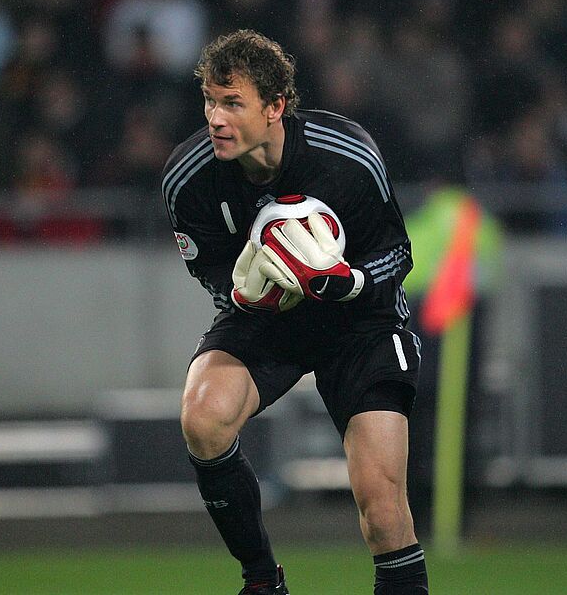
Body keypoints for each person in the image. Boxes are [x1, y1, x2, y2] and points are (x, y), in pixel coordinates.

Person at [162, 29, 428, 595]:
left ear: (275, 106)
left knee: (383, 511)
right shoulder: (188, 180)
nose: (215, 119)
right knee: (203, 417)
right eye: (210, 101)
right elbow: (212, 272)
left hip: (362, 323)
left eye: (232, 103)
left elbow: (397, 254)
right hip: (269, 320)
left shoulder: (347, 156)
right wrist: (244, 295)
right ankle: (262, 581)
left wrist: (348, 281)